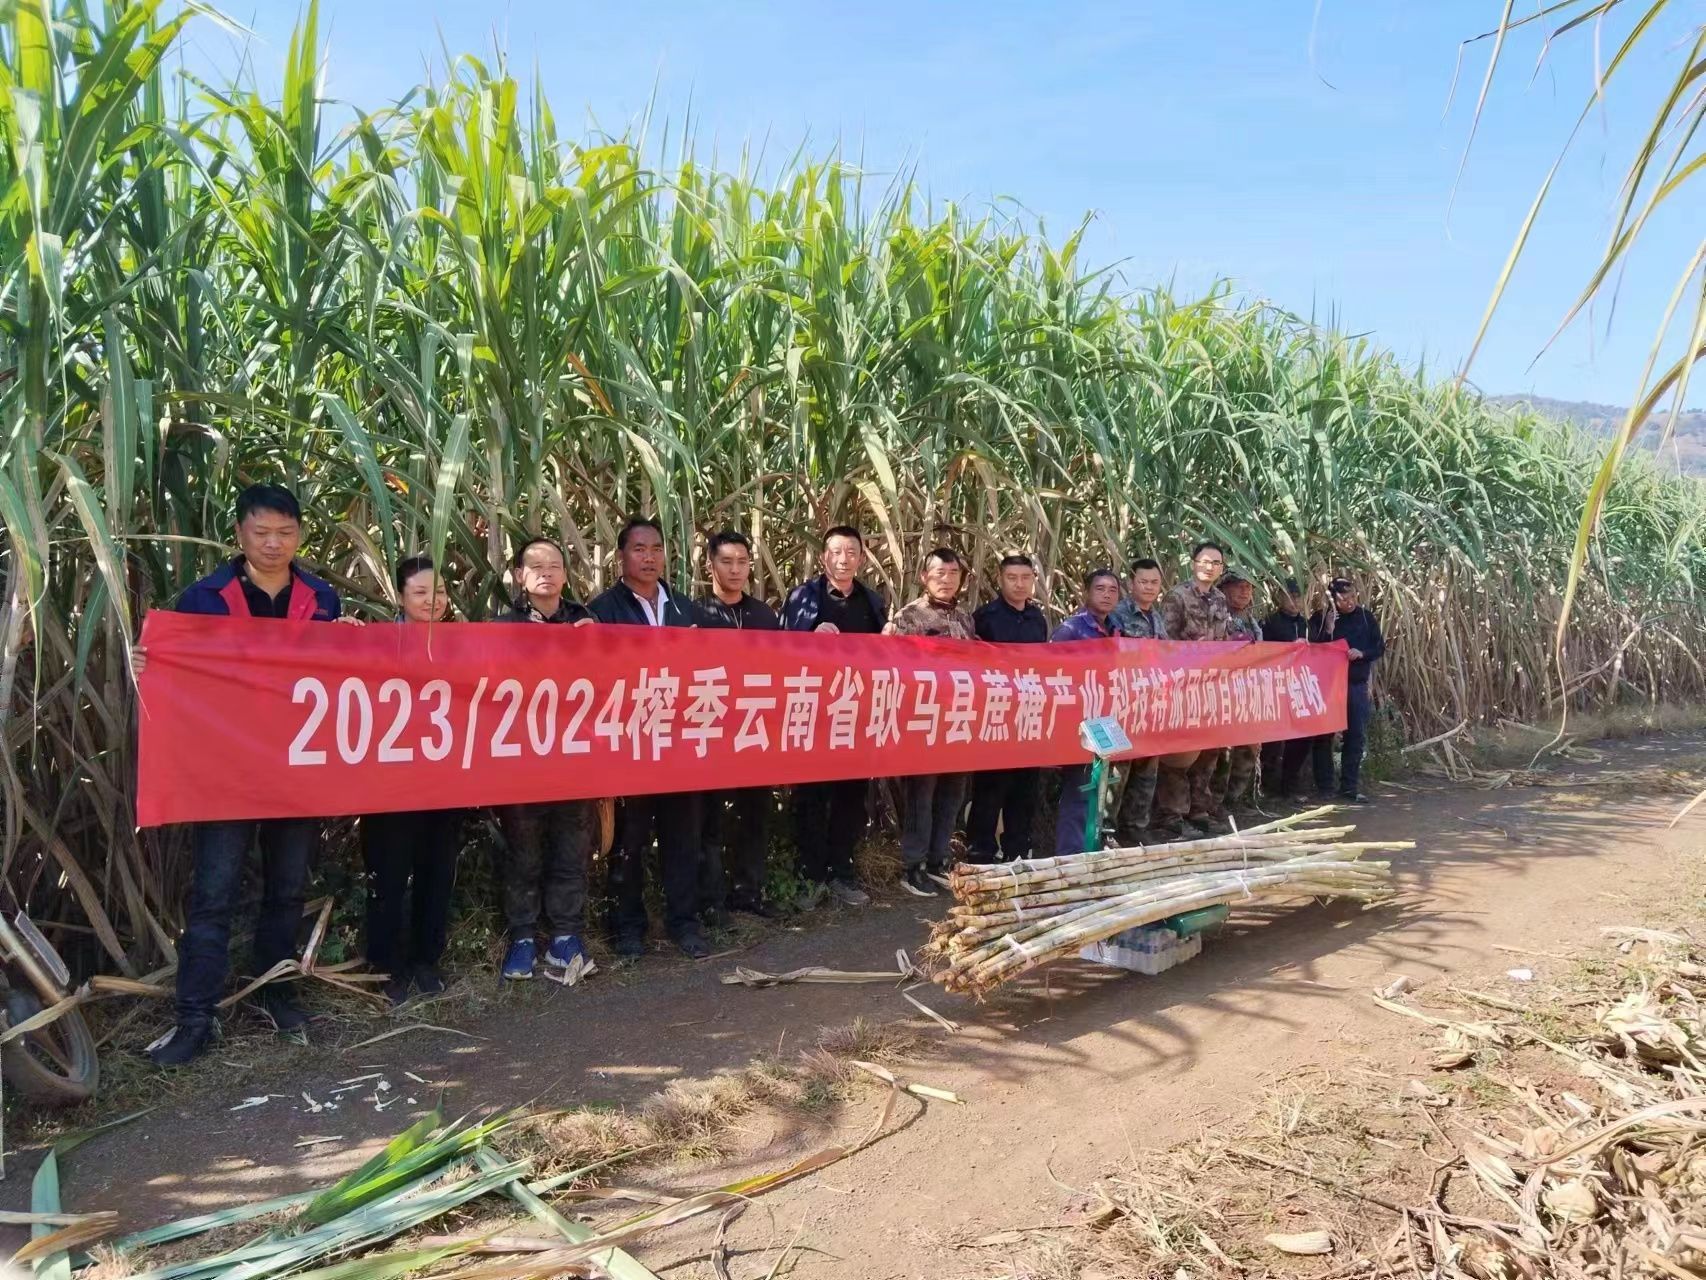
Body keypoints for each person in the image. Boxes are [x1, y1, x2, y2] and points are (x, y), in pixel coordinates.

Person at [137, 483, 345, 1067]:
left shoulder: (320, 599)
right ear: (239, 535)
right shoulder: (203, 598)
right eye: (261, 533)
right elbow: (171, 673)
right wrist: (148, 664)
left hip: (296, 769)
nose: (273, 543)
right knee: (214, 896)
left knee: (287, 889)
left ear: (299, 534)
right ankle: (195, 1017)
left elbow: (341, 674)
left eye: (284, 532)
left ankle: (274, 991)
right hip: (224, 771)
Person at [589, 517, 708, 959]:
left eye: (656, 548)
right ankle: (628, 927)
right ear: (621, 556)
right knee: (629, 841)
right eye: (639, 549)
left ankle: (684, 922)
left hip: (679, 744)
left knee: (683, 838)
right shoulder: (602, 610)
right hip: (630, 745)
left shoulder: (685, 609)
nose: (649, 557)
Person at [494, 536, 599, 981]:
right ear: (519, 576)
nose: (545, 572)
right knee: (524, 853)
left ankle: (565, 937)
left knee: (572, 851)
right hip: (522, 762)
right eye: (534, 566)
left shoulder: (585, 621)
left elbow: (619, 678)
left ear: (565, 573)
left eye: (554, 565)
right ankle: (521, 937)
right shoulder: (502, 626)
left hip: (575, 760)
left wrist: (598, 646)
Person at [361, 555, 461, 1005]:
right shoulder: (377, 642)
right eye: (421, 593)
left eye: (439, 592)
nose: (432, 601)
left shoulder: (466, 643)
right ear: (400, 597)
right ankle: (385, 967)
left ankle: (426, 960)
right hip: (389, 784)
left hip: (446, 781)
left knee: (437, 872)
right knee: (389, 874)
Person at [783, 526, 888, 907]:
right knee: (810, 797)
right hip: (812, 714)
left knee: (850, 797)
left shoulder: (872, 602)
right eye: (836, 552)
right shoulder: (803, 598)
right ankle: (808, 878)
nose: (843, 559)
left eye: (851, 552)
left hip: (856, 717)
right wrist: (810, 633)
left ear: (861, 558)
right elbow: (782, 649)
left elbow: (888, 658)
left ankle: (842, 873)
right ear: (823, 557)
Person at [695, 530, 781, 918]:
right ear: (710, 565)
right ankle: (711, 900)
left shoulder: (764, 614)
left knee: (755, 814)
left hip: (755, 728)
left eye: (742, 562)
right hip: (709, 729)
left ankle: (750, 891)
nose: (735, 569)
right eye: (726, 561)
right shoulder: (694, 614)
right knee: (709, 818)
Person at [884, 548, 977, 896]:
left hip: (957, 719)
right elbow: (888, 665)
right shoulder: (908, 618)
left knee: (952, 792)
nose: (947, 579)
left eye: (953, 573)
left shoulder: (966, 619)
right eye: (939, 573)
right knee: (921, 793)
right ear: (924, 576)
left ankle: (939, 859)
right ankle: (913, 865)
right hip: (922, 720)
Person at [967, 554, 1049, 863]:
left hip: (1027, 714)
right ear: (1000, 579)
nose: (1019, 584)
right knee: (990, 787)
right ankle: (981, 851)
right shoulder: (985, 617)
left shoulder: (1037, 619)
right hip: (994, 713)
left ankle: (1017, 849)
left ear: (1033, 581)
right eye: (1012, 577)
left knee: (1024, 788)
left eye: (1025, 578)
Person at [1154, 541, 1232, 838]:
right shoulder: (1177, 597)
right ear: (1194, 563)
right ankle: (1172, 815)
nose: (1210, 567)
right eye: (1205, 561)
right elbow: (1165, 642)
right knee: (1180, 750)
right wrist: (1190, 651)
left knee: (1209, 750)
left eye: (1216, 563)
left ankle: (1199, 809)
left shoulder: (1220, 600)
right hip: (1182, 685)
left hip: (1211, 686)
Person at [1051, 568, 1123, 854]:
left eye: (1113, 590)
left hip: (1105, 719)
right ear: (1086, 592)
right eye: (1100, 588)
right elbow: (1050, 671)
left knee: (1097, 786)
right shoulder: (1071, 629)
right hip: (1077, 722)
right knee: (1077, 790)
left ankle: (1089, 848)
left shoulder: (1115, 627)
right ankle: (1069, 855)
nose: (1106, 595)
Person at [1310, 576, 1385, 804]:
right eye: (1344, 599)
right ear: (1333, 599)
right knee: (1323, 736)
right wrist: (1328, 630)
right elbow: (1311, 648)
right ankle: (1325, 787)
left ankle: (1349, 786)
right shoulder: (1322, 619)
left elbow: (1379, 646)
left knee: (1356, 735)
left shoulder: (1365, 617)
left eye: (1353, 597)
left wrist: (1362, 653)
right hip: (1328, 686)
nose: (1350, 602)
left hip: (1355, 684)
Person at [1109, 557, 1167, 846]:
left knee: (1147, 767)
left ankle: (1136, 827)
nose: (1148, 587)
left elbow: (1168, 655)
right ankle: (1109, 830)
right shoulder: (1117, 615)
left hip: (1150, 705)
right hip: (1121, 703)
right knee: (1119, 770)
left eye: (1154, 582)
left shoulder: (1157, 618)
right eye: (1143, 581)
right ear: (1131, 583)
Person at [1210, 570, 1263, 817]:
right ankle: (1215, 803)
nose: (1245, 592)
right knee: (1221, 750)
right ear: (1225, 588)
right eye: (1239, 586)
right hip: (1221, 693)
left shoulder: (1252, 620)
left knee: (1248, 748)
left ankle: (1236, 799)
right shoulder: (1219, 617)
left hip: (1248, 694)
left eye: (1249, 587)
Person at [1260, 578, 1313, 801]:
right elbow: (1262, 652)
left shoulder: (1307, 624)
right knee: (1272, 740)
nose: (1294, 602)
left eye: (1298, 597)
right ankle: (1267, 787)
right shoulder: (1269, 622)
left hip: (1298, 687)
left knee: (1301, 737)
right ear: (1280, 598)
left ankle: (1290, 786)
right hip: (1273, 687)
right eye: (1289, 597)